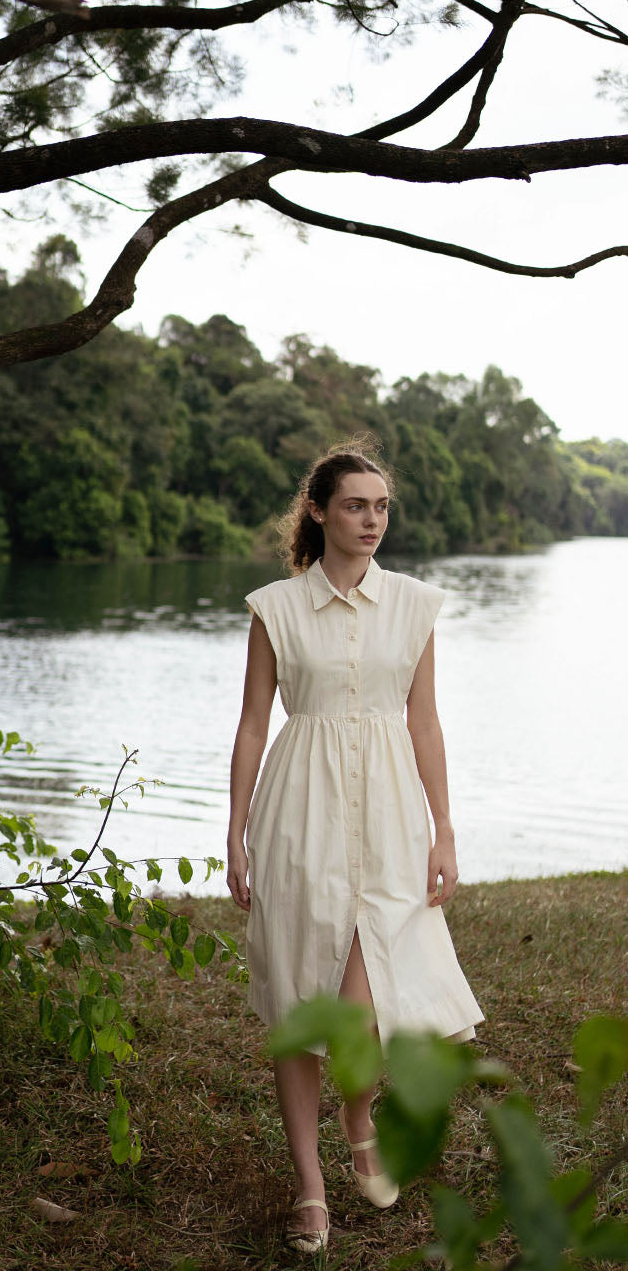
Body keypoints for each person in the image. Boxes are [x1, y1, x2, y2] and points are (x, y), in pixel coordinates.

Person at [227, 439, 484, 1256]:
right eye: (354, 505)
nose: (371, 520)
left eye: (380, 507)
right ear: (318, 511)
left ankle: (358, 1110)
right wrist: (233, 833)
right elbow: (253, 725)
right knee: (304, 1002)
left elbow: (425, 721)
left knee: (368, 989)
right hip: (299, 807)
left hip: (389, 814)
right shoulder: (275, 607)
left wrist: (444, 827)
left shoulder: (414, 606)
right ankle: (309, 1185)